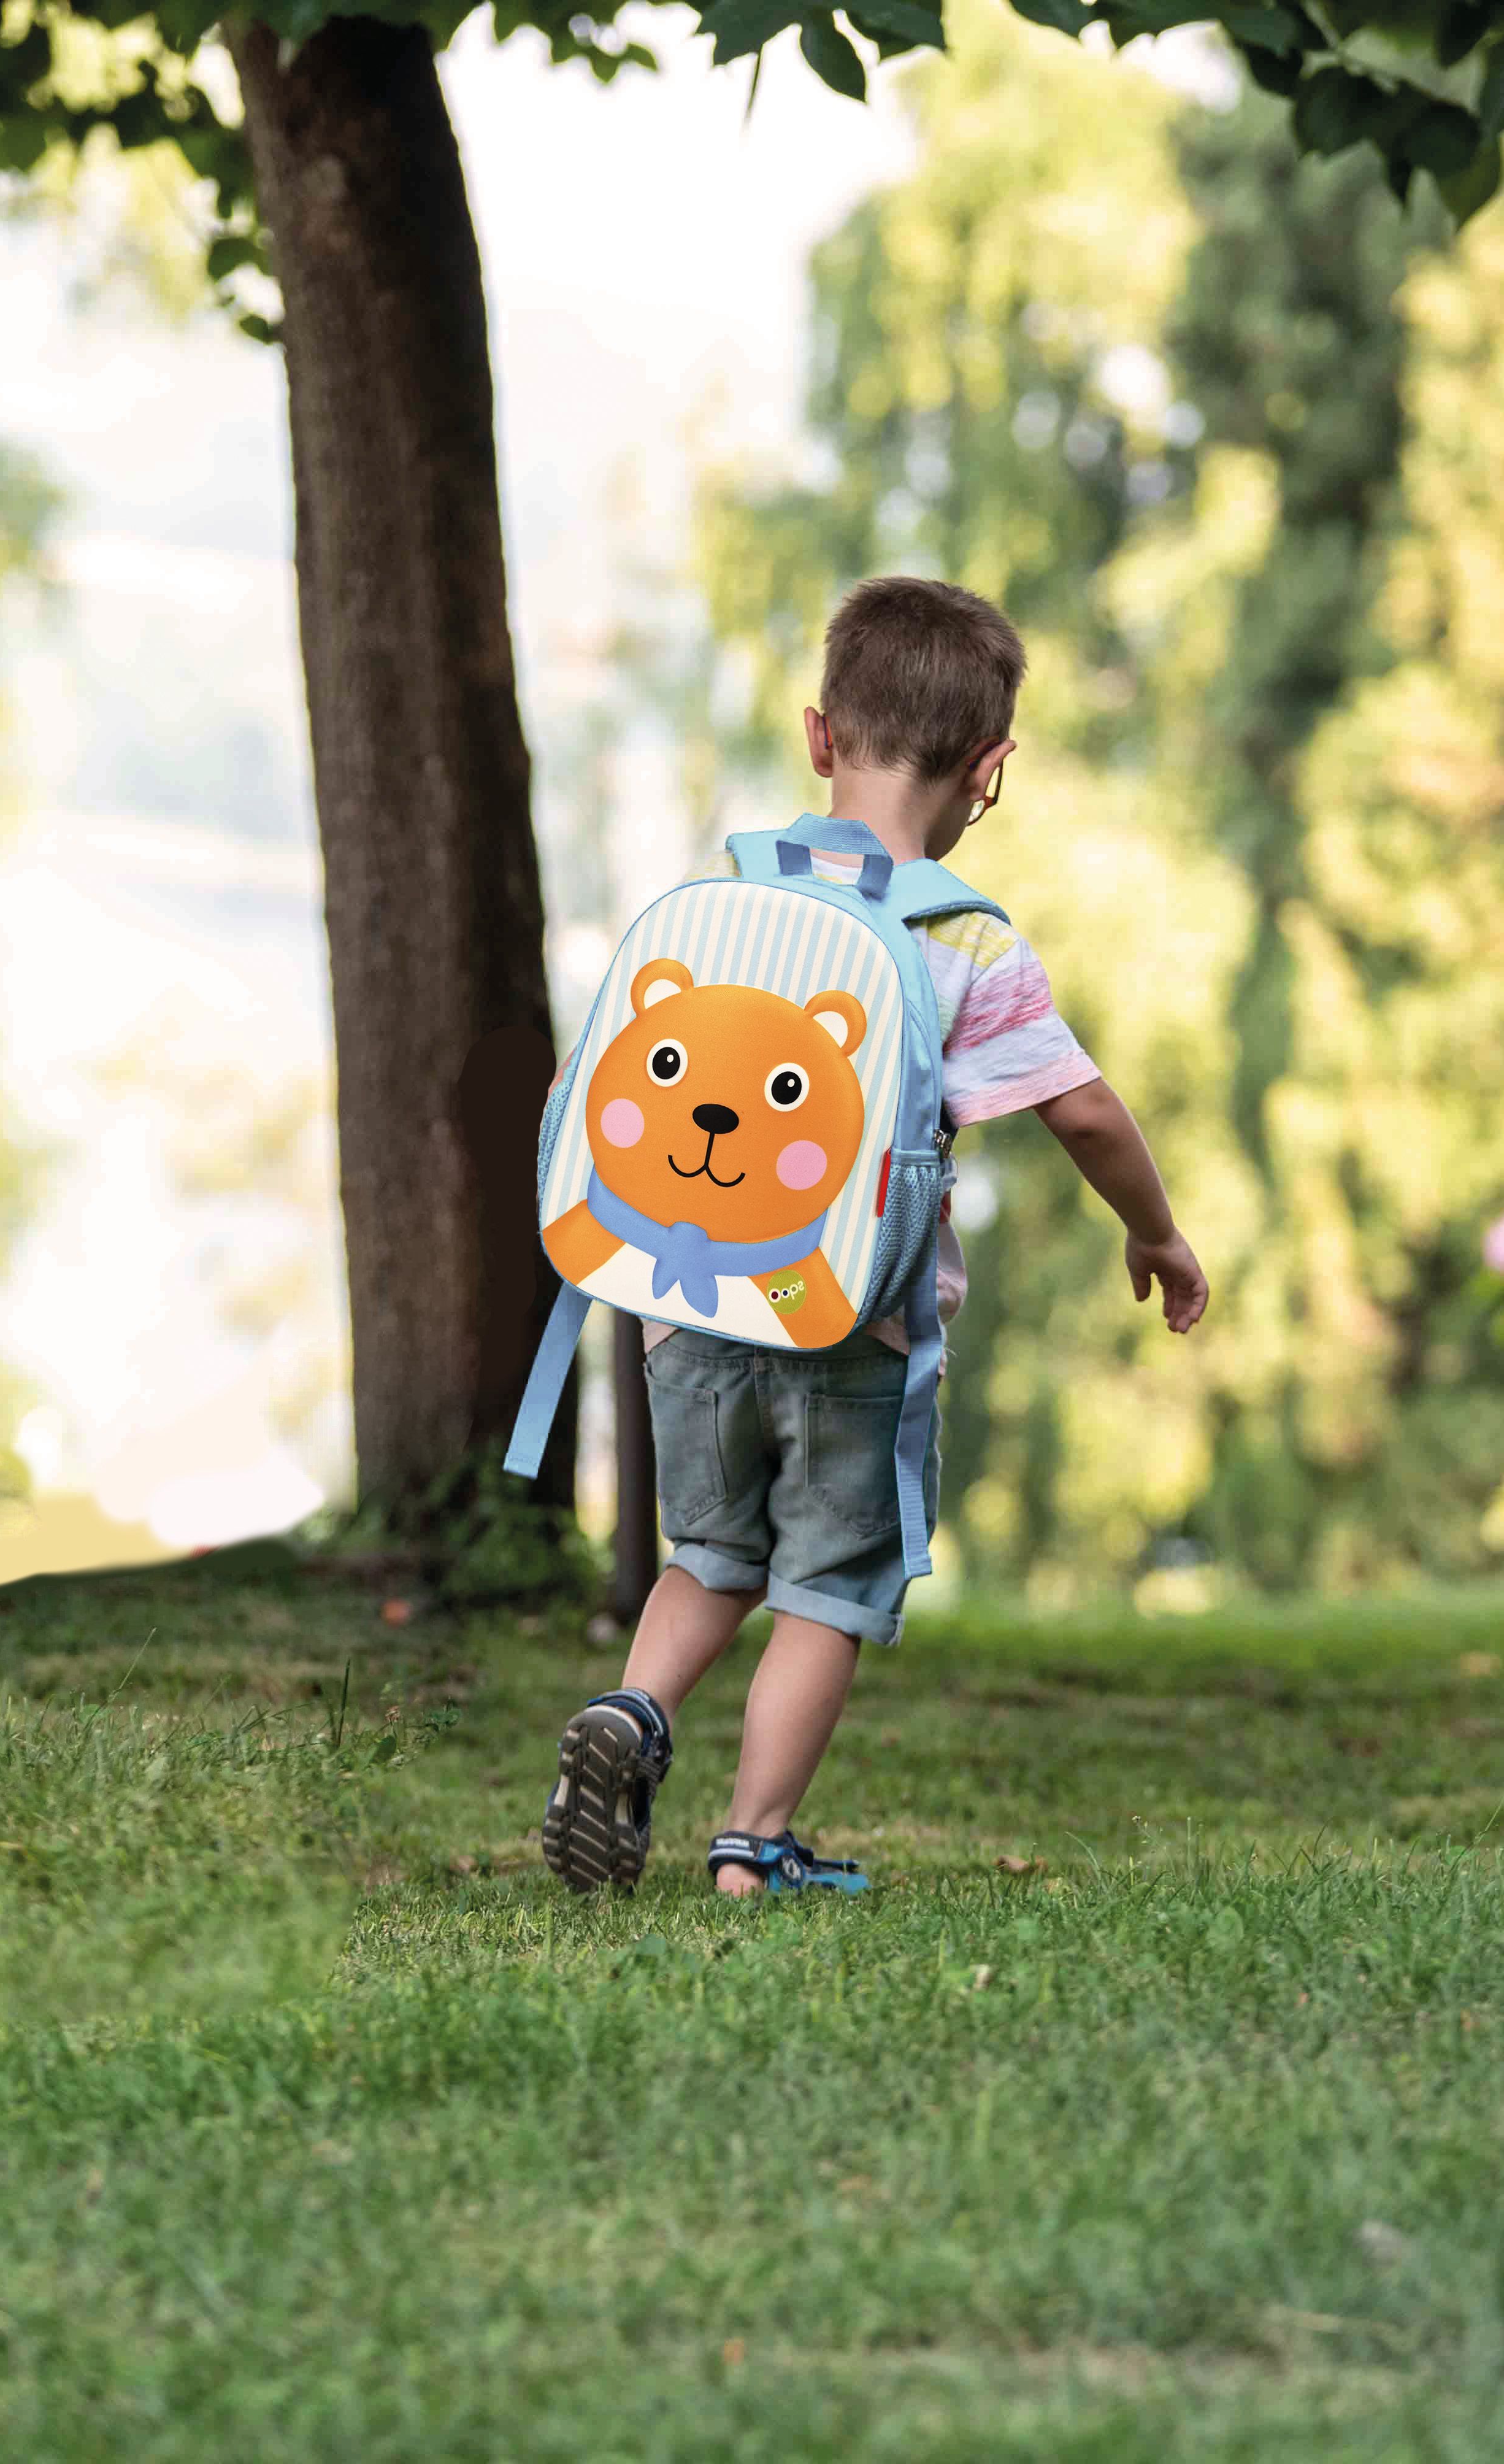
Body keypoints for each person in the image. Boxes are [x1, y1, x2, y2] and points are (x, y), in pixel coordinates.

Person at [540, 576, 1210, 1898]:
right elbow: (1080, 1114)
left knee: (710, 1555)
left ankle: (632, 1712)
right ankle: (753, 1846)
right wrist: (1158, 1234)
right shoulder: (962, 942)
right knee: (827, 1586)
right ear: (991, 770)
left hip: (689, 1310)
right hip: (856, 1322)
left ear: (816, 735)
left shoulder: (724, 895)